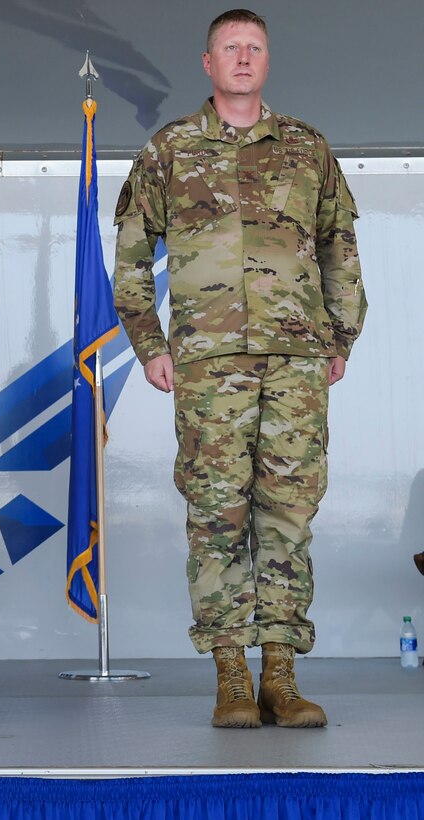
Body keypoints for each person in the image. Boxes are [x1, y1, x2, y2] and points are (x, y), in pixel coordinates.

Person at [113, 9, 366, 729]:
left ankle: (281, 676)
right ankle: (230, 674)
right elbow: (131, 260)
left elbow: (338, 249)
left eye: (255, 48)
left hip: (295, 362)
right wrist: (151, 346)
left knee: (288, 513)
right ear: (208, 63)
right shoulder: (169, 150)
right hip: (207, 364)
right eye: (232, 48)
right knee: (217, 514)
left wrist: (340, 337)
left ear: (267, 60)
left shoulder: (307, 148)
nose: (244, 58)